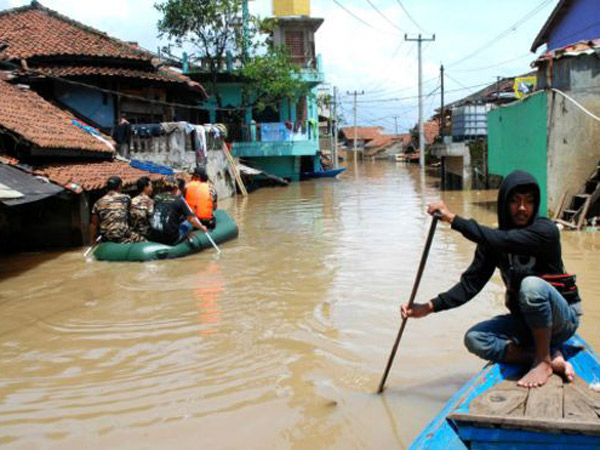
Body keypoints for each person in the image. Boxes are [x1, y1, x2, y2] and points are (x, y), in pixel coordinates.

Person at [401, 170, 582, 388]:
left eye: (528, 201)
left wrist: (453, 219)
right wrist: (428, 307)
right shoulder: (493, 242)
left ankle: (543, 362)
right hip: (526, 321)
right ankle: (547, 356)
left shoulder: (546, 231)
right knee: (475, 338)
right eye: (515, 201)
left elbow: (501, 239)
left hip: (562, 321)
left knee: (531, 285)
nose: (522, 208)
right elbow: (470, 285)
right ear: (504, 204)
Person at [149, 175, 207, 245]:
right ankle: (186, 237)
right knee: (188, 223)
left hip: (154, 236)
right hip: (170, 239)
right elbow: (191, 220)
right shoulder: (179, 200)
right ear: (176, 188)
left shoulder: (157, 198)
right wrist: (202, 227)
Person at [90, 176, 143, 243]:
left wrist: (92, 240)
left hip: (106, 237)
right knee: (144, 242)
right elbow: (132, 214)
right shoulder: (126, 198)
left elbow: (93, 224)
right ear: (119, 186)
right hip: (123, 235)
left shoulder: (98, 202)